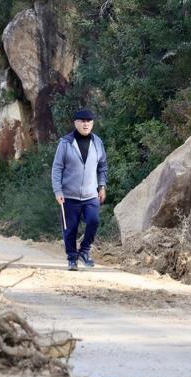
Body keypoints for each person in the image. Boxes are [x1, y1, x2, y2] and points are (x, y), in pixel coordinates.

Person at [51, 109, 108, 271]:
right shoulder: (65, 143)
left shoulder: (98, 142)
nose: (85, 124)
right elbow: (57, 168)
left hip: (91, 195)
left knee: (93, 221)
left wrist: (102, 186)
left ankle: (84, 251)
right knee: (70, 229)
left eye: (89, 121)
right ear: (76, 123)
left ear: (92, 123)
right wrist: (58, 191)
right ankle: (72, 258)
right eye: (82, 121)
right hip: (69, 195)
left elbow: (102, 166)